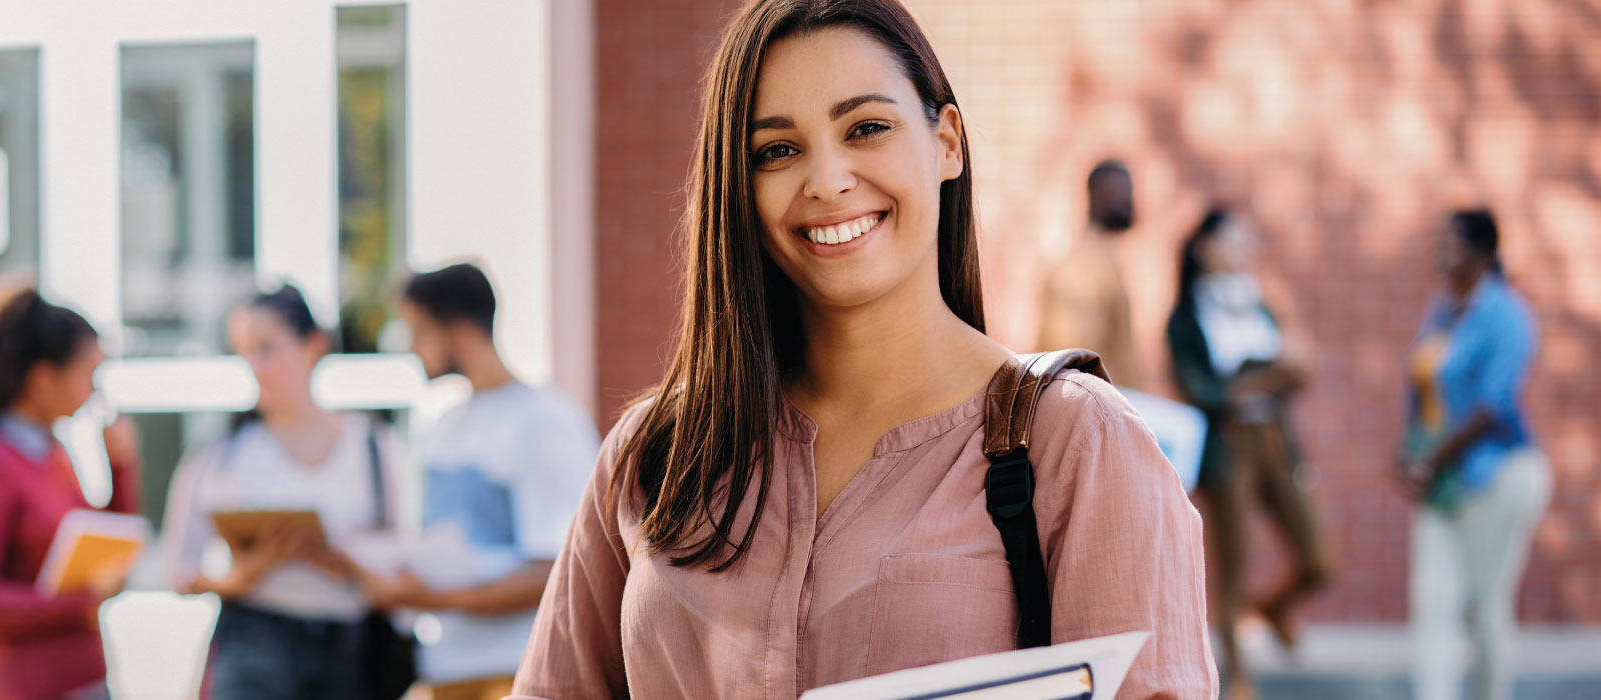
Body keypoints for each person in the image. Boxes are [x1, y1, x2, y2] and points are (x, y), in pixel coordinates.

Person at [509, 1, 1216, 698]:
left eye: (867, 127)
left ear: (947, 142)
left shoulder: (1080, 442)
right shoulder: (654, 454)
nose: (826, 181)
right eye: (776, 150)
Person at [354, 263, 600, 700]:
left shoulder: (546, 421)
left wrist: (432, 598)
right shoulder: (444, 425)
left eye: (418, 330)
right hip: (446, 671)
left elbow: (561, 570)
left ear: (463, 334)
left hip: (520, 672)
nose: (411, 347)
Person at [158, 285, 409, 700]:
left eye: (266, 348)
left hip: (350, 653)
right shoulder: (223, 452)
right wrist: (242, 575)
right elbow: (179, 569)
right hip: (254, 643)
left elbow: (402, 561)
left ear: (313, 346)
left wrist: (348, 564)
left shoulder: (374, 447)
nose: (254, 367)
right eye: (243, 352)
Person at [0, 286, 142, 700]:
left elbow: (104, 548)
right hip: (25, 686)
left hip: (85, 677)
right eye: (87, 375)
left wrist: (120, 467)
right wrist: (80, 601)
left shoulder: (51, 452)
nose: (94, 393)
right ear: (43, 378)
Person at [1166, 209, 1329, 698]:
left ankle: (1276, 606)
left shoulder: (1257, 303)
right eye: (1234, 241)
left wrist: (1274, 377)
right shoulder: (1186, 317)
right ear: (1205, 248)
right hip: (1227, 447)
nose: (1243, 251)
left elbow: (1296, 367)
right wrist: (1271, 376)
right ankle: (1236, 675)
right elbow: (1201, 391)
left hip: (1274, 442)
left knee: (1320, 558)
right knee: (1231, 567)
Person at [1401, 210, 1550, 700]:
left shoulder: (1507, 314)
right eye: (1437, 242)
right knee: (1432, 599)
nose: (1440, 253)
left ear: (1483, 252)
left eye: (1452, 243)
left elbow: (1494, 406)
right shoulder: (1441, 312)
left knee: (1484, 605)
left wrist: (1431, 456)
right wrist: (1407, 453)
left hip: (1498, 474)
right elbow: (1422, 391)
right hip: (1440, 482)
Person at [1036, 159, 1142, 387]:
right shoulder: (1080, 268)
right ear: (1097, 196)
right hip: (1099, 403)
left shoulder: (1104, 259)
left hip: (1120, 398)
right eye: (1121, 193)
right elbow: (1068, 360)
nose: (1130, 203)